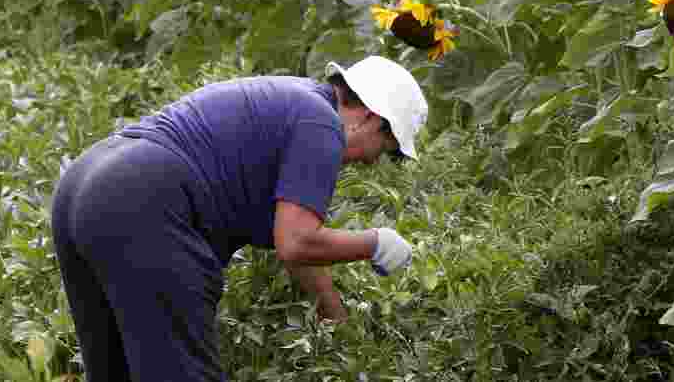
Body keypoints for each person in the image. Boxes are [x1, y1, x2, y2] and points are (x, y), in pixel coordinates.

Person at [49, 56, 426, 382]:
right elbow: (297, 242)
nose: (374, 161)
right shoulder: (322, 126)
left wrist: (335, 316)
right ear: (371, 118)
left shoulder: (295, 104)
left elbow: (295, 247)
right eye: (387, 149)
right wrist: (374, 243)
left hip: (84, 186)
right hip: (141, 201)